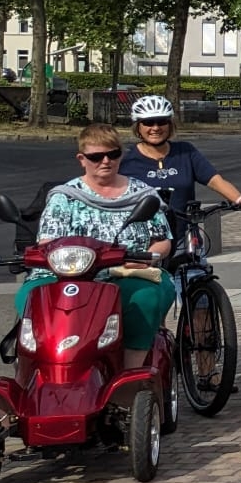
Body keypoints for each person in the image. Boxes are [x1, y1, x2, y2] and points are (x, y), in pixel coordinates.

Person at [18, 125, 174, 371]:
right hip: (65, 276)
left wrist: (149, 259)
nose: (105, 161)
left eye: (112, 155)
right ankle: (35, 373)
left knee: (146, 297)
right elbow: (47, 243)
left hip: (125, 272)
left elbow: (163, 239)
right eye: (95, 156)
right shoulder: (64, 197)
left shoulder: (143, 194)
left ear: (121, 156)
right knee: (32, 299)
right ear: (82, 159)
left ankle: (130, 376)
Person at [118, 95, 241, 233]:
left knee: (196, 257)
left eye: (161, 121)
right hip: (143, 240)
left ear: (170, 124)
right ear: (138, 127)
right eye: (148, 122)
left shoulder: (185, 151)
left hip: (184, 236)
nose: (155, 128)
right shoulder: (125, 159)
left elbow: (215, 181)